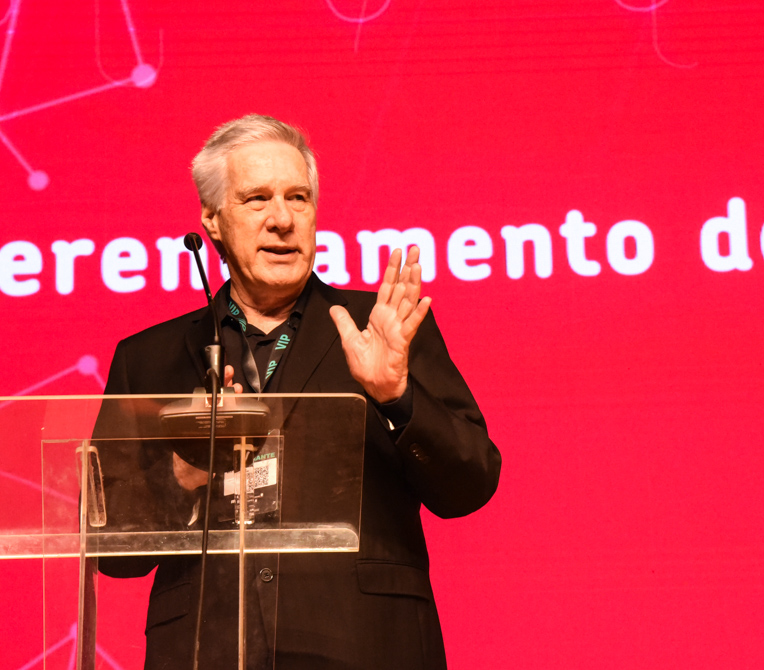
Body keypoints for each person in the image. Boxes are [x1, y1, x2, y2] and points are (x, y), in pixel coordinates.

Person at [97, 114, 501, 670]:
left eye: (298, 198)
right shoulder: (148, 358)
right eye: (256, 199)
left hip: (364, 644)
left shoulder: (382, 327)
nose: (283, 220)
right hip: (205, 649)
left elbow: (470, 485)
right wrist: (185, 473)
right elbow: (109, 550)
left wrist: (397, 397)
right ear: (213, 220)